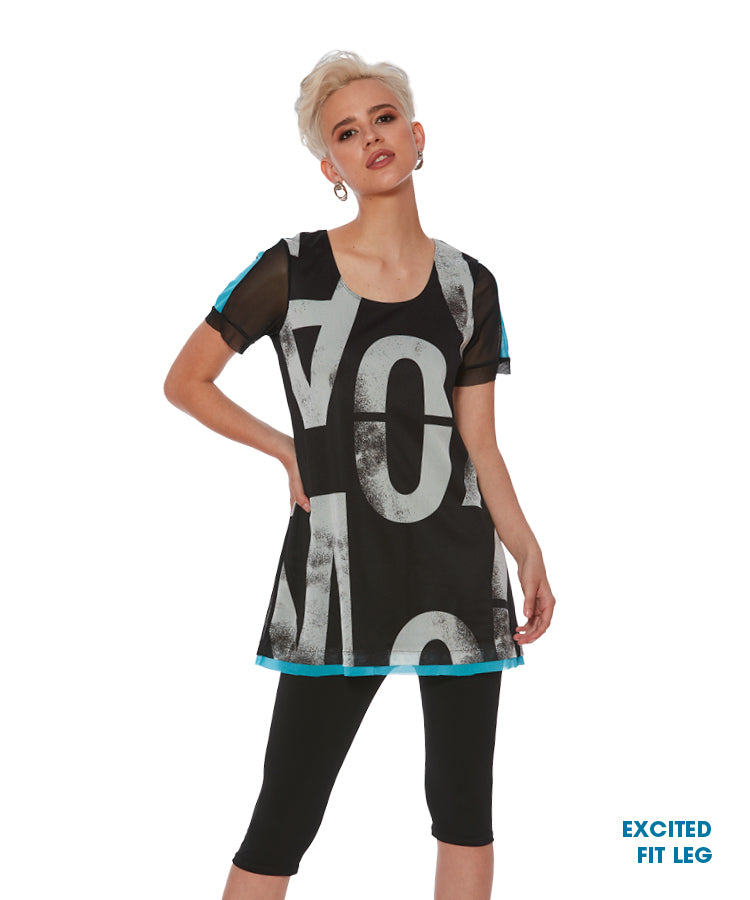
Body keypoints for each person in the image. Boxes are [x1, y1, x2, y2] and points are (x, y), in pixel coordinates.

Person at [164, 49, 556, 900]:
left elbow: (481, 444)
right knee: (283, 818)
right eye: (346, 132)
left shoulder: (471, 284)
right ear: (330, 168)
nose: (370, 138)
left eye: (383, 119)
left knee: (464, 810)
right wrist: (286, 448)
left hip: (457, 568)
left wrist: (526, 549)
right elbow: (186, 382)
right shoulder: (291, 268)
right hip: (335, 574)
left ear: (417, 136)